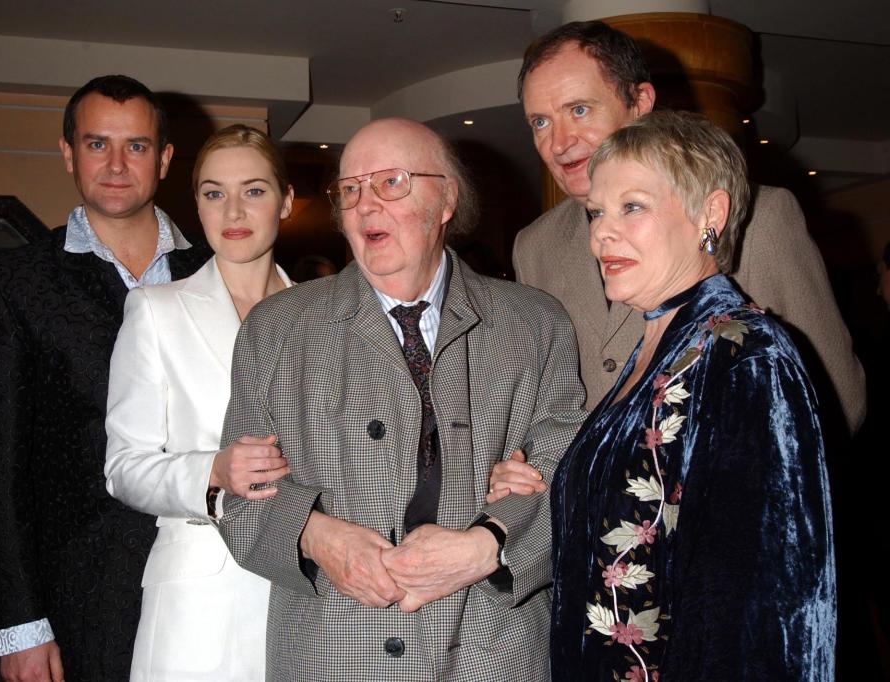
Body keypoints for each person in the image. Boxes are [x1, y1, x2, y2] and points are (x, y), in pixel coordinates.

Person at [217, 117, 588, 680]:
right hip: (333, 650)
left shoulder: (534, 324)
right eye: (350, 189)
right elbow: (241, 497)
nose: (365, 205)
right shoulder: (277, 330)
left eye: (391, 182)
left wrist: (489, 543)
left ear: (445, 200)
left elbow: (571, 471)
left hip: (495, 651)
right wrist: (314, 534)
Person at [491, 111, 835, 680]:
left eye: (632, 207)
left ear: (710, 214)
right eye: (596, 212)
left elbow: (771, 606)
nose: (601, 232)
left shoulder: (744, 354)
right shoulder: (653, 350)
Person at [0, 75, 207, 682]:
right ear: (68, 153)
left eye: (138, 146)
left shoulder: (214, 273)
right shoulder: (15, 284)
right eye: (98, 145)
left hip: (211, 578)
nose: (118, 165)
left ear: (165, 158)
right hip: (81, 598)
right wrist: (20, 625)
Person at [512, 20, 865, 435]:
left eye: (579, 110)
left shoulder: (760, 217)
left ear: (640, 101)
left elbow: (838, 400)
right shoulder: (533, 247)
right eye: (540, 122)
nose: (558, 142)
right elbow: (543, 407)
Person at [104, 124, 293, 681]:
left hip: (309, 594)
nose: (232, 209)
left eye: (254, 190)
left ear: (286, 201)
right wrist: (210, 469)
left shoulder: (330, 316)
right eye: (214, 193)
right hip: (199, 600)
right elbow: (123, 468)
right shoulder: (156, 311)